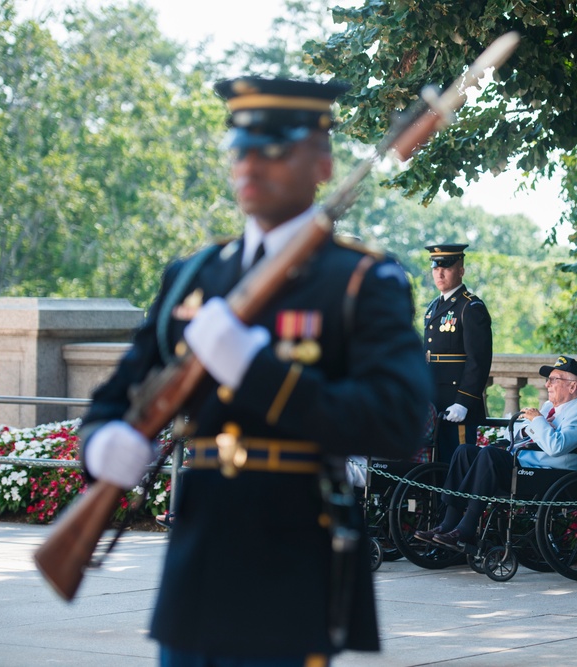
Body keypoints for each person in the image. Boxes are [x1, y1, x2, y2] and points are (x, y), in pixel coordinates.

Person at [79, 76, 432, 666]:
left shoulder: (360, 282)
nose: (249, 163)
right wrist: (103, 442)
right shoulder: (194, 276)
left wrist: (254, 368)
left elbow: (396, 421)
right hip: (195, 567)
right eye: (239, 148)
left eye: (272, 149)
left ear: (321, 161)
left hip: (291, 565)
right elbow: (117, 394)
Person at [417, 356, 577, 549]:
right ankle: (448, 523)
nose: (547, 385)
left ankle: (466, 529)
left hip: (548, 474)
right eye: (547, 380)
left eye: (554, 380)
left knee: (490, 455)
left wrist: (538, 422)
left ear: (573, 386)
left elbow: (556, 447)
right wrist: (533, 426)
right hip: (524, 466)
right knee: (464, 452)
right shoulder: (548, 407)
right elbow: (515, 435)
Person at [422, 243, 493, 464]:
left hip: (457, 404)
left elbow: (478, 360)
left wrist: (464, 401)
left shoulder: (470, 307)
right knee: (436, 464)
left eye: (446, 268)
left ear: (460, 270)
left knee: (458, 464)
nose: (439, 273)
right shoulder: (434, 307)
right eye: (435, 268)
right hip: (435, 402)